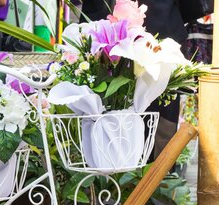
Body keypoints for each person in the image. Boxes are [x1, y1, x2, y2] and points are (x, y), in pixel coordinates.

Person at [80, 0, 187, 159]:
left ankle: (152, 174)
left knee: (155, 107)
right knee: (154, 107)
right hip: (132, 28)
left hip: (150, 31)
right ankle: (154, 174)